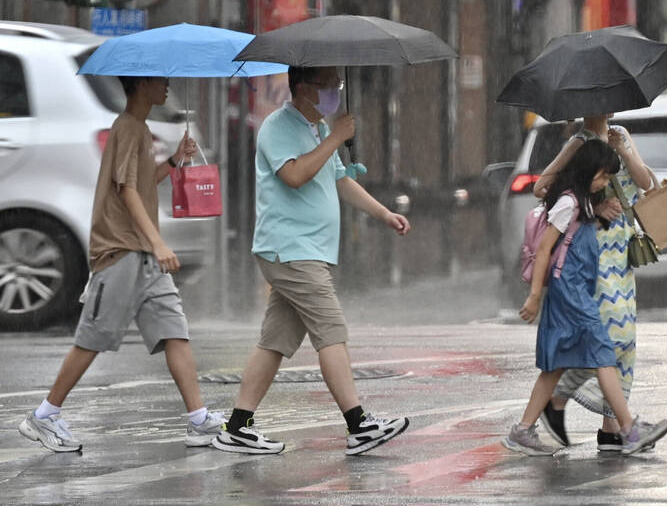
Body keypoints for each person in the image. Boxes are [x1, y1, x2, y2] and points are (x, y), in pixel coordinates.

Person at [212, 66, 411, 456]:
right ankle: (358, 425)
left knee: (275, 342)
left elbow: (339, 180)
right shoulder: (277, 127)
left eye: (337, 85)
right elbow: (294, 175)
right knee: (331, 331)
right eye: (329, 86)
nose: (335, 93)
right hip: (291, 249)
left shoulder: (317, 129)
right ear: (303, 88)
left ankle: (237, 426)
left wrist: (383, 213)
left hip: (307, 250)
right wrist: (337, 136)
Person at [18, 76, 224, 452]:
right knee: (92, 338)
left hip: (144, 255)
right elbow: (127, 192)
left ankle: (198, 421)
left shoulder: (141, 130)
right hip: (121, 252)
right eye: (160, 81)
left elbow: (142, 183)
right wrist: (158, 242)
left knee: (174, 331)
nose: (166, 86)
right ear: (140, 84)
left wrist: (176, 161)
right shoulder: (127, 128)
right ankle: (44, 415)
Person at [503, 140, 667, 456]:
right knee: (603, 354)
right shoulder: (569, 203)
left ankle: (522, 431)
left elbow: (643, 183)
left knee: (554, 367)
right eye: (603, 177)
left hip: (575, 290)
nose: (606, 184)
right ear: (587, 172)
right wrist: (534, 296)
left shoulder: (583, 203)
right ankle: (630, 430)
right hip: (571, 292)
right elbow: (543, 250)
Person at [531, 114, 653, 452]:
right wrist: (593, 205)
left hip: (623, 250)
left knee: (626, 338)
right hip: (592, 249)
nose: (606, 110)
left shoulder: (622, 135)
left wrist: (623, 152)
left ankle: (612, 428)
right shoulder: (579, 142)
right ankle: (558, 398)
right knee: (608, 336)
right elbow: (541, 187)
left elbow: (645, 183)